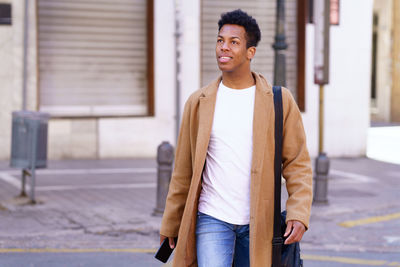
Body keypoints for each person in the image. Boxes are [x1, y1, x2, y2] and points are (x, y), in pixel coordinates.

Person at [160, 9, 312, 267]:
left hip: (260, 222)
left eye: (233, 42)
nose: (223, 48)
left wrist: (298, 212)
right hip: (212, 217)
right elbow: (183, 171)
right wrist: (171, 222)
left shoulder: (279, 101)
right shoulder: (199, 102)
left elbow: (297, 163)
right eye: (220, 40)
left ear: (250, 52)